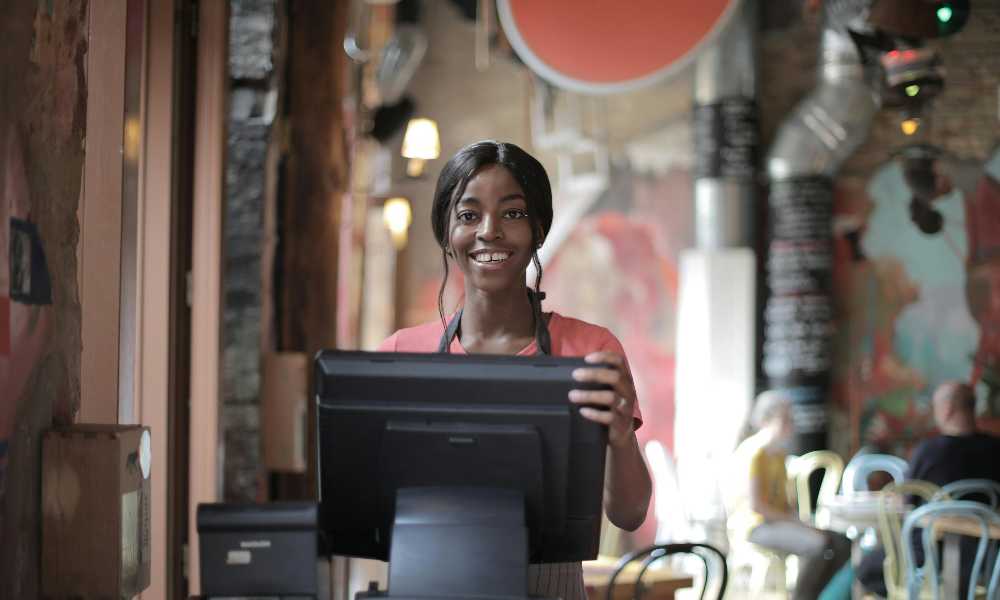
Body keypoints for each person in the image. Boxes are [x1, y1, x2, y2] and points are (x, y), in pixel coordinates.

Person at [376, 140, 652, 600]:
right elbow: (370, 508)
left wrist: (620, 435)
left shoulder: (590, 350)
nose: (490, 231)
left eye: (513, 213)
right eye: (468, 215)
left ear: (540, 229)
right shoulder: (401, 354)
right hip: (428, 586)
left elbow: (629, 515)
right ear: (446, 232)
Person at [855, 380, 1000, 597]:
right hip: (984, 560)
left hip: (929, 557)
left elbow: (905, 501)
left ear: (947, 409)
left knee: (867, 568)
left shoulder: (931, 451)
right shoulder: (995, 448)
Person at [726, 390, 851, 600]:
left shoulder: (778, 454)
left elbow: (786, 503)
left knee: (841, 542)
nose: (790, 425)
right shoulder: (754, 453)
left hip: (778, 521)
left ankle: (823, 595)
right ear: (766, 420)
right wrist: (802, 525)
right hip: (756, 526)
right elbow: (758, 507)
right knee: (818, 545)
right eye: (785, 419)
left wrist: (803, 522)